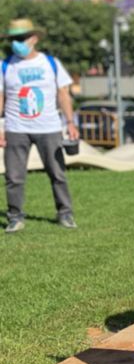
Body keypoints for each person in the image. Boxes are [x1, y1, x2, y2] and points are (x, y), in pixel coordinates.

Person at [0, 18, 79, 233]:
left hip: (49, 128)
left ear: (34, 38)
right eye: (14, 39)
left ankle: (65, 214)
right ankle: (15, 217)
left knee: (58, 174)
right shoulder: (5, 65)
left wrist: (70, 122)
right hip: (16, 128)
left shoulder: (50, 63)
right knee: (14, 177)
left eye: (22, 38)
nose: (17, 43)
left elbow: (63, 93)